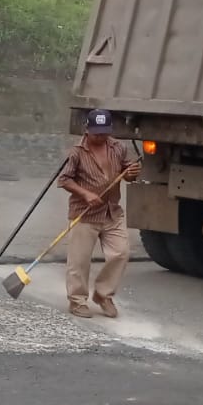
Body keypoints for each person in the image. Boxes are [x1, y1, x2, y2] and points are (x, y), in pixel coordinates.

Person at [58, 108, 140, 319]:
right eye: (96, 133)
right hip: (85, 214)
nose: (100, 137)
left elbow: (128, 173)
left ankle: (103, 295)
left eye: (104, 133)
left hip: (112, 211)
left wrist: (132, 173)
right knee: (79, 261)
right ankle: (77, 301)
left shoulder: (118, 147)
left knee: (121, 253)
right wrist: (85, 194)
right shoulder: (76, 152)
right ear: (87, 129)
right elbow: (64, 180)